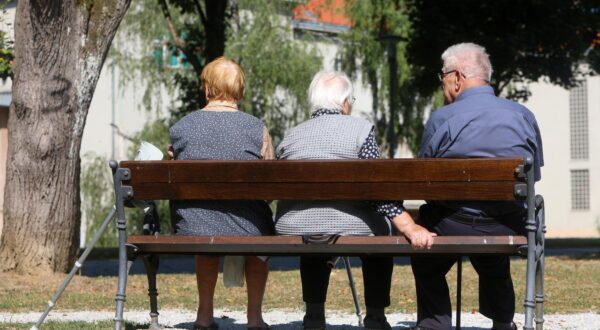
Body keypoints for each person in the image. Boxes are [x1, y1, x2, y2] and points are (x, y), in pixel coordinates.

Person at [275, 70, 436, 330]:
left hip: (296, 225)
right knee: (379, 239)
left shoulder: (292, 135)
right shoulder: (361, 130)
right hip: (353, 224)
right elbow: (375, 188)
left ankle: (314, 315)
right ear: (345, 102)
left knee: (314, 228)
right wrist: (407, 224)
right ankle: (375, 316)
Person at [411, 43, 544, 330]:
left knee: (426, 257)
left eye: (443, 77)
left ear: (457, 77)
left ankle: (435, 323)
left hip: (451, 222)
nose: (443, 85)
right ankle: (502, 321)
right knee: (492, 240)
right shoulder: (523, 115)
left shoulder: (441, 118)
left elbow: (424, 182)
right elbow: (534, 178)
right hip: (507, 224)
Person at [169, 57, 273, 330]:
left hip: (195, 224)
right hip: (249, 224)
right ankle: (254, 318)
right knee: (258, 239)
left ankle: (204, 316)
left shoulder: (181, 128)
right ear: (240, 90)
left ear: (207, 89)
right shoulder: (257, 128)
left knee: (206, 225)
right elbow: (271, 184)